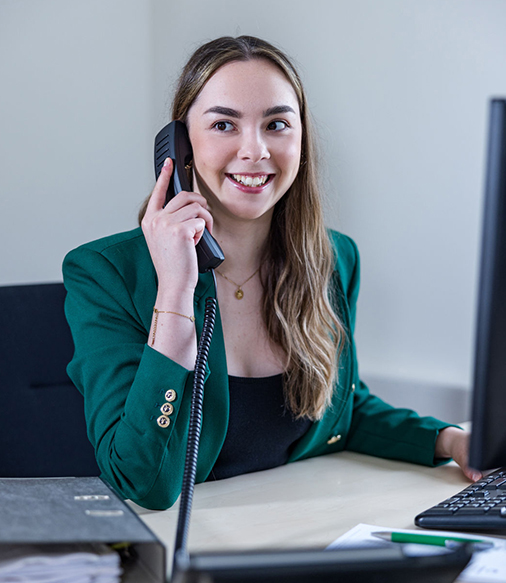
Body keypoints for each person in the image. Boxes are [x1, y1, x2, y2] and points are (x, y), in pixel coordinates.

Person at [63, 35, 479, 511]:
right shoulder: (105, 273)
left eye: (276, 124)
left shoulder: (333, 257)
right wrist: (175, 293)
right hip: (185, 547)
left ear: (301, 141)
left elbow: (339, 409)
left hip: (295, 525)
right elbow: (141, 481)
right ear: (180, 150)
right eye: (224, 124)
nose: (255, 150)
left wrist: (450, 440)